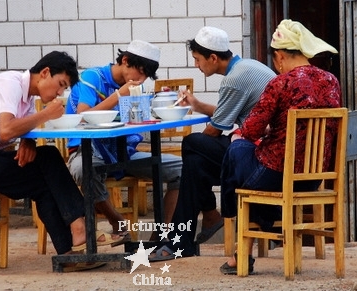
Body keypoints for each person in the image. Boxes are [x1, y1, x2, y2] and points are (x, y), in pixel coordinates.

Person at [0, 51, 104, 263]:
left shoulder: (27, 96)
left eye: (64, 89)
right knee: (50, 157)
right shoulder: (10, 85)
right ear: (44, 73)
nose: (60, 93)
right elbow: (6, 130)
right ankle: (80, 225)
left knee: (43, 183)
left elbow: (19, 127)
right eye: (60, 84)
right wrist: (46, 114)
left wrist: (28, 141)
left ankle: (68, 252)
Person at [216, 19, 342, 275]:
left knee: (235, 149)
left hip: (276, 176)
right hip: (313, 178)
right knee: (242, 164)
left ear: (280, 56)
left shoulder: (280, 83)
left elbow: (251, 130)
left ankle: (238, 236)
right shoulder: (331, 81)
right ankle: (256, 228)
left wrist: (240, 135)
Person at [151, 26, 277, 261]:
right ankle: (185, 238)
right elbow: (227, 115)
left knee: (191, 142)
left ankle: (206, 217)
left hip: (261, 154)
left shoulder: (234, 80)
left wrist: (200, 124)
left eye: (198, 60)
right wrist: (197, 106)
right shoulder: (248, 67)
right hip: (263, 149)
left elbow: (214, 130)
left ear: (213, 57)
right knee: (195, 165)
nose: (197, 66)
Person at [65, 40, 183, 242]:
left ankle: (159, 237)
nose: (142, 79)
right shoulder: (92, 77)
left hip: (123, 152)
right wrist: (119, 95)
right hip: (88, 151)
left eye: (147, 75)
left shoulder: (134, 89)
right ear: (126, 61)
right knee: (82, 170)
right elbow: (83, 115)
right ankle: (117, 222)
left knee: (182, 169)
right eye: (141, 72)